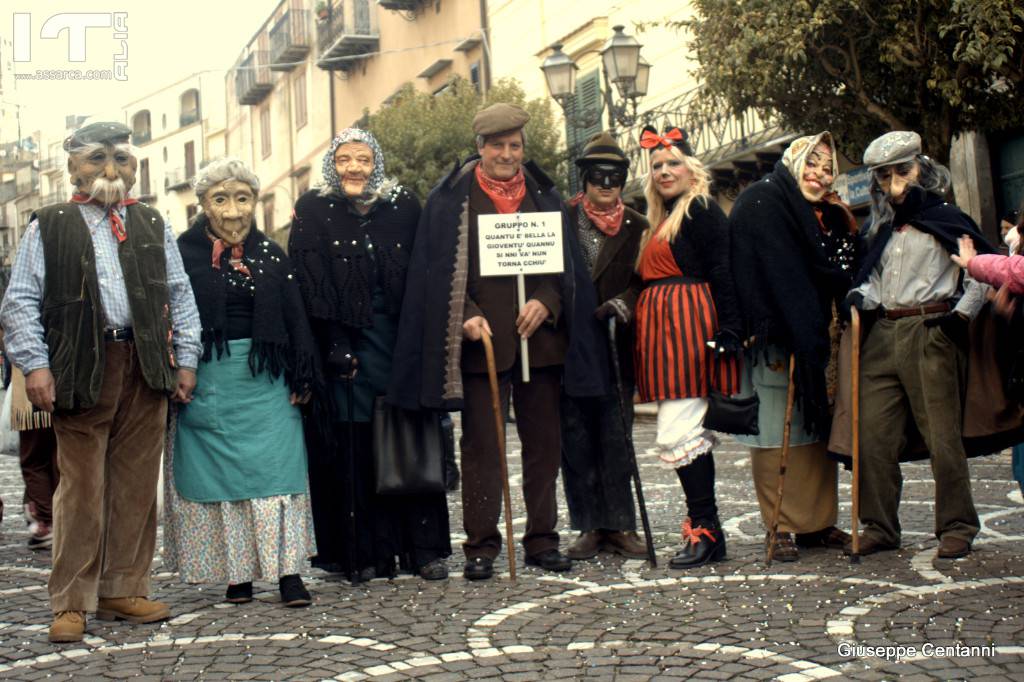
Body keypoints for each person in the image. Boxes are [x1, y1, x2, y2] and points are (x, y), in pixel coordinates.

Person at [388, 103, 609, 581]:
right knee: (483, 448)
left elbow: (564, 268)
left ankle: (542, 540)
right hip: (482, 347)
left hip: (541, 344)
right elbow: (437, 270)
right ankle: (482, 545)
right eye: (497, 146)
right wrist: (465, 314)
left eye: (514, 146)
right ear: (480, 149)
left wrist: (547, 302)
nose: (507, 155)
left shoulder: (545, 197)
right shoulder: (450, 201)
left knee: (544, 445)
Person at [0, 121, 202, 643]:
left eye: (122, 160)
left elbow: (179, 294)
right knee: (81, 490)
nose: (111, 171)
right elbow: (19, 300)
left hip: (146, 364)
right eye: (97, 160)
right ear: (73, 167)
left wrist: (187, 360)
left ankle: (121, 588)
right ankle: (71, 599)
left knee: (137, 488)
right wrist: (37, 365)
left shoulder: (152, 222)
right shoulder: (50, 224)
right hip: (84, 366)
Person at [290, 128, 452, 582]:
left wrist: (419, 345)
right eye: (344, 159)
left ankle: (422, 551)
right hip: (347, 349)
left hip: (401, 344)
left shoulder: (403, 206)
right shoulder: (314, 208)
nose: (354, 168)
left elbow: (425, 273)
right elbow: (308, 283)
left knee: (410, 444)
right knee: (356, 449)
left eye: (363, 159)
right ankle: (363, 552)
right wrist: (335, 346)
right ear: (333, 165)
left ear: (375, 162)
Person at [162, 158, 318, 607]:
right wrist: (175, 368)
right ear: (203, 205)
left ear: (255, 201)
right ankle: (238, 575)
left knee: (279, 475)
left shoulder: (271, 254)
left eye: (243, 198)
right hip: (208, 380)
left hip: (267, 381)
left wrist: (302, 373)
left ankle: (289, 574)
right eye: (221, 199)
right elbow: (167, 315)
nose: (233, 212)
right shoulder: (182, 254)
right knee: (222, 482)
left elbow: (295, 319)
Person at [845, 130, 993, 559]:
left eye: (903, 171)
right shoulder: (879, 228)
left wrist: (958, 318)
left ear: (922, 170)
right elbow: (871, 278)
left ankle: (958, 524)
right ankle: (879, 525)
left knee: (942, 435)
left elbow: (979, 274)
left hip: (931, 329)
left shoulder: (947, 218)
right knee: (872, 436)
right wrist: (860, 295)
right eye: (885, 175)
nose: (896, 183)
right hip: (883, 334)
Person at [730, 133, 856, 561]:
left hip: (814, 336)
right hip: (772, 336)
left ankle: (817, 524)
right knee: (773, 433)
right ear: (792, 160)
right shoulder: (762, 201)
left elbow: (837, 268)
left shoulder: (822, 216)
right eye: (812, 165)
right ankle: (779, 526)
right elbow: (754, 267)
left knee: (814, 428)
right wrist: (777, 318)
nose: (819, 176)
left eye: (827, 169)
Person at [633, 125, 742, 568]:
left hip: (690, 330)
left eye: (673, 162)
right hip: (666, 333)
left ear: (692, 169)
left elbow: (723, 269)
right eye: (657, 165)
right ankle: (705, 530)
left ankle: (707, 532)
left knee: (680, 433)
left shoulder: (700, 209)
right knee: (681, 430)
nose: (663, 171)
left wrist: (731, 329)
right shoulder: (661, 218)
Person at [560, 131, 648, 560]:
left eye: (614, 176)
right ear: (584, 179)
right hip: (571, 347)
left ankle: (621, 525)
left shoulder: (638, 226)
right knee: (576, 440)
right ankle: (589, 526)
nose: (606, 184)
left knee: (617, 438)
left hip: (616, 346)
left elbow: (643, 281)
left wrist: (624, 303)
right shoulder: (560, 220)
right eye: (598, 176)